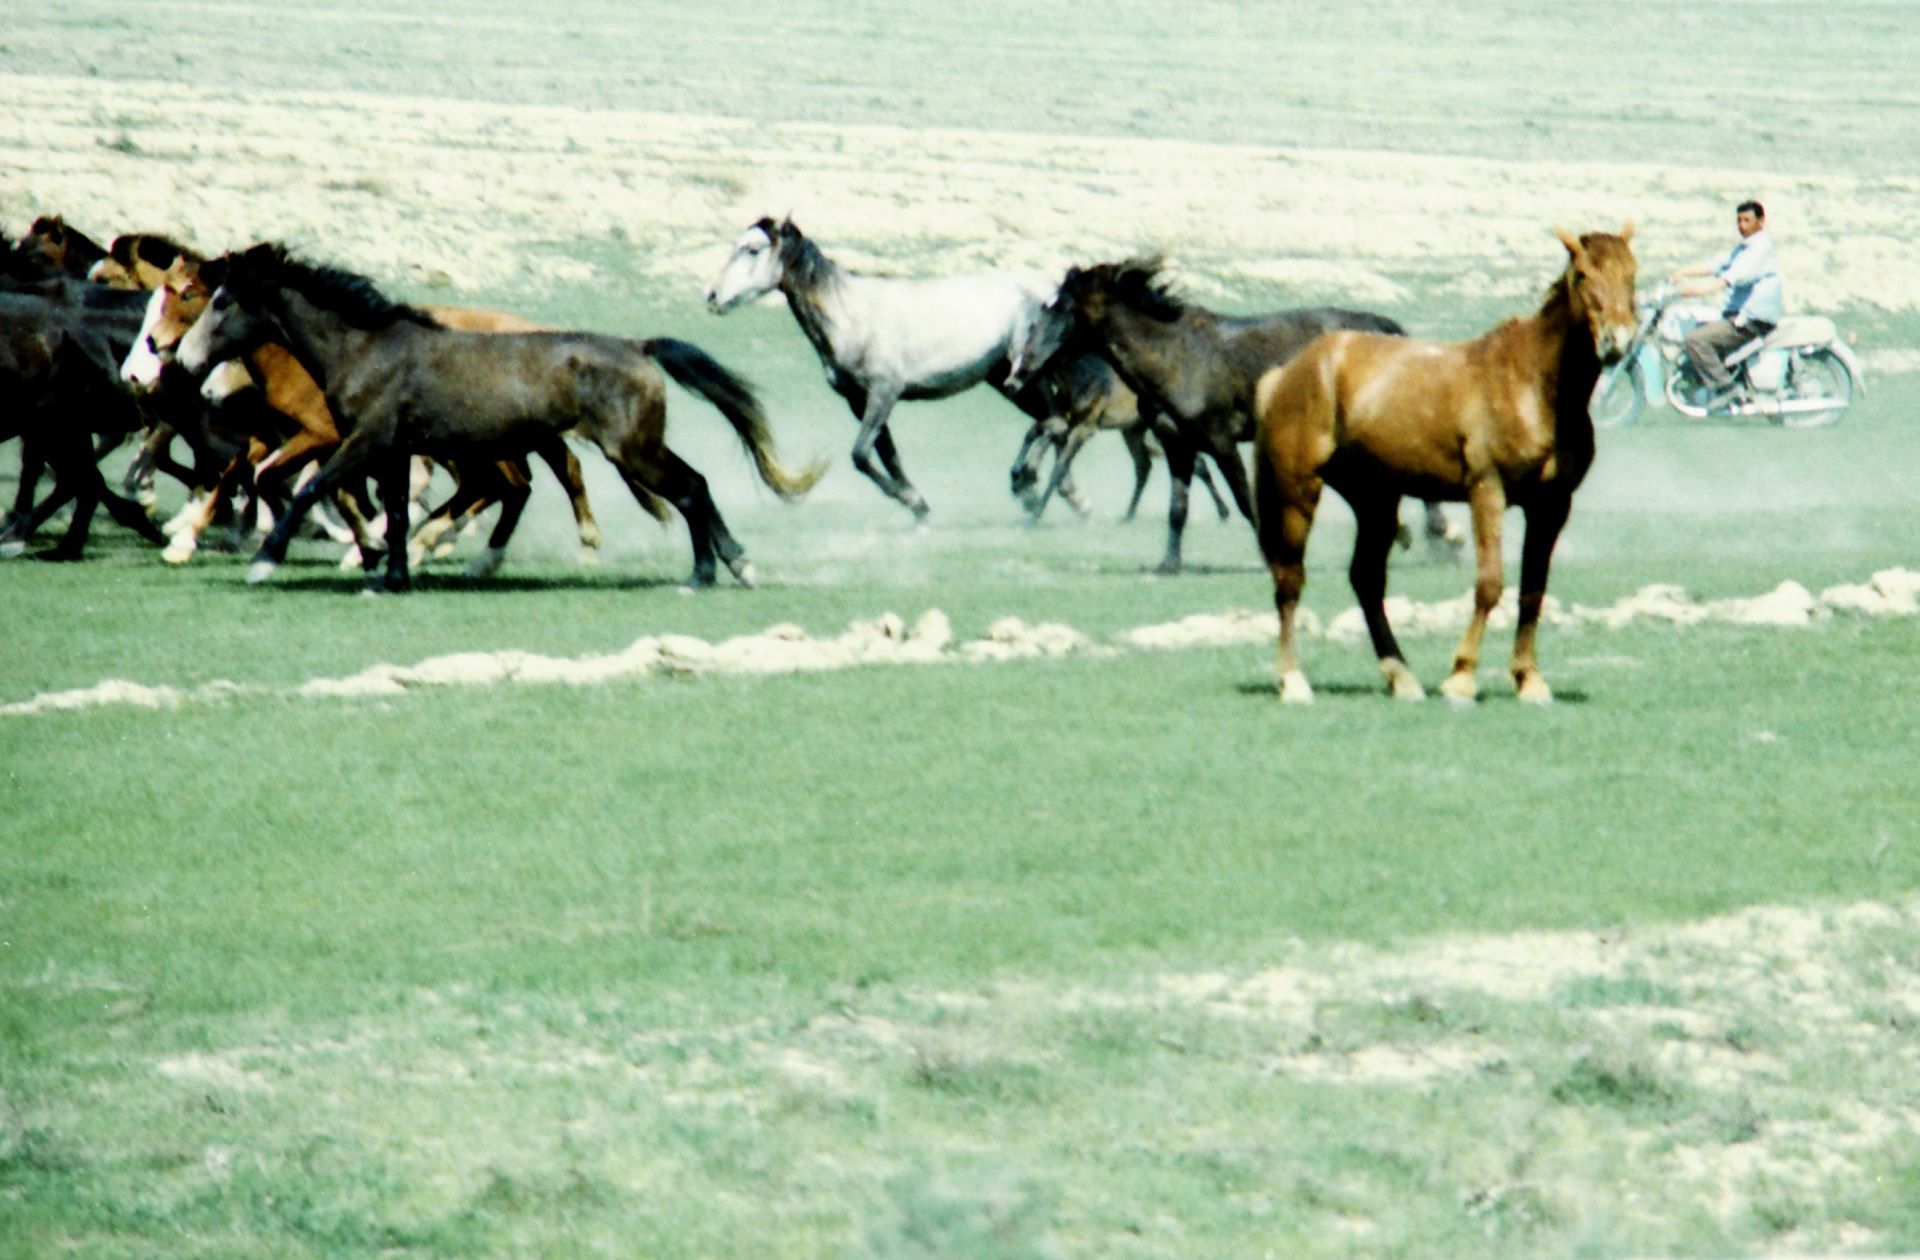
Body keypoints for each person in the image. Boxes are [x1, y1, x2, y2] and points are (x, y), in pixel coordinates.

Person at [1669, 200, 1783, 410]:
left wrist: (1700, 289)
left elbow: (1737, 275)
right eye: (1739, 220)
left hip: (1751, 320)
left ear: (1761, 222)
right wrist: (1682, 272)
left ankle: (1726, 388)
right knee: (1700, 326)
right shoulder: (1744, 247)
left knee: (1696, 340)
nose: (1742, 225)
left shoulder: (1759, 248)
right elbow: (1715, 264)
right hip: (1740, 316)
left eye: (1747, 220)